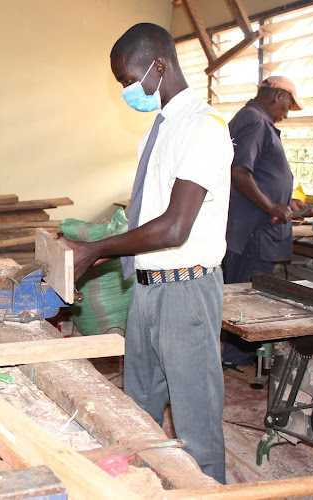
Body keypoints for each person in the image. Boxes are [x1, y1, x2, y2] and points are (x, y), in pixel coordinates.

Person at [62, 23, 233, 483]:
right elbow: (145, 218)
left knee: (195, 422)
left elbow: (175, 227)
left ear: (160, 65)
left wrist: (97, 249)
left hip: (186, 291)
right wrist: (97, 251)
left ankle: (208, 492)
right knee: (137, 410)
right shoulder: (159, 128)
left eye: (128, 81)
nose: (127, 92)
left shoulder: (203, 128)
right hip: (148, 288)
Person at [222, 76, 311, 368]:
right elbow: (240, 172)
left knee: (248, 296)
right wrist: (271, 204)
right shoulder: (255, 121)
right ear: (278, 95)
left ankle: (242, 358)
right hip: (252, 234)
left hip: (256, 231)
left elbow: (258, 175)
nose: (287, 112)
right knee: (248, 299)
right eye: (288, 105)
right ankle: (241, 360)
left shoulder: (257, 121)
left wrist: (285, 202)